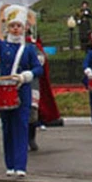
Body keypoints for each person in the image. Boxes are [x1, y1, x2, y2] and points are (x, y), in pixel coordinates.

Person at [0, 5, 43, 178]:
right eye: (13, 26)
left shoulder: (28, 49)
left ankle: (21, 165)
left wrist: (26, 76)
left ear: (24, 28)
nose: (16, 29)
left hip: (22, 91)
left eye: (19, 26)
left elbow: (38, 68)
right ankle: (10, 164)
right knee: (7, 128)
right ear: (8, 27)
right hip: (3, 92)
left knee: (21, 126)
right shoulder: (0, 45)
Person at [25, 14, 60, 151]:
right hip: (16, 83)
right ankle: (19, 139)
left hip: (32, 81)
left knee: (32, 113)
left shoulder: (33, 46)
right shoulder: (8, 45)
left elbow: (41, 62)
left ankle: (31, 138)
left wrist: (36, 63)